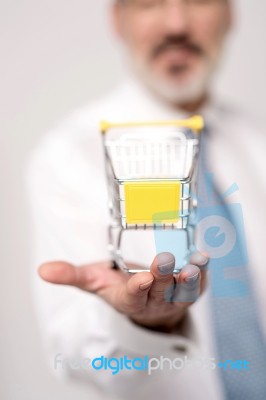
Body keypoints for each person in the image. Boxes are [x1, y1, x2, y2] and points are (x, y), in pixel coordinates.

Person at [27, 1, 266, 399]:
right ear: (117, 20)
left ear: (231, 13)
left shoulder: (258, 144)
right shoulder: (68, 154)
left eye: (198, 0)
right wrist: (150, 326)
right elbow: (76, 357)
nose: (176, 24)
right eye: (148, 3)